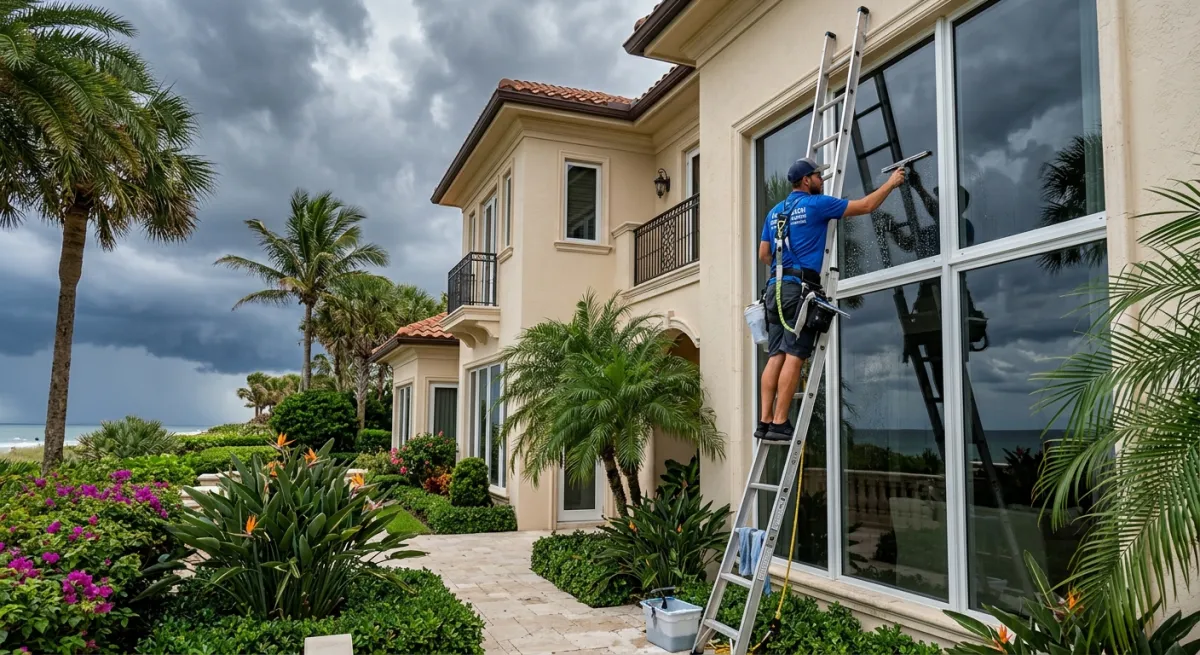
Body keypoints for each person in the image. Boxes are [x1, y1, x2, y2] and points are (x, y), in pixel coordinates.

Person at [755, 157, 907, 441]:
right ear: (805, 181)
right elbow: (866, 206)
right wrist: (892, 183)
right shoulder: (816, 205)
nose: (821, 181)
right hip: (797, 291)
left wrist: (785, 261)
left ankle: (763, 422)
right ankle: (779, 422)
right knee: (795, 355)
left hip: (773, 291)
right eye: (817, 176)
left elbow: (764, 254)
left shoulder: (775, 212)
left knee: (775, 355)